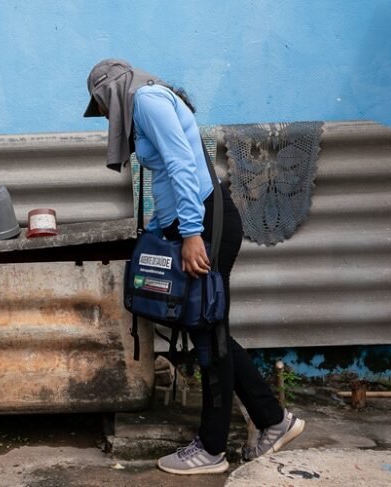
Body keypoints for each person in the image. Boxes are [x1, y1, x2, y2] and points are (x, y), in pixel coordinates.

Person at [83, 59, 305, 475]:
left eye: (103, 105)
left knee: (209, 336)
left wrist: (189, 234)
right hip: (196, 223)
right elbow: (167, 178)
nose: (107, 115)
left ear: (111, 91)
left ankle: (212, 449)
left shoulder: (146, 101)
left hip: (205, 225)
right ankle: (274, 420)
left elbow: (183, 164)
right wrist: (159, 230)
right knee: (209, 328)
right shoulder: (147, 102)